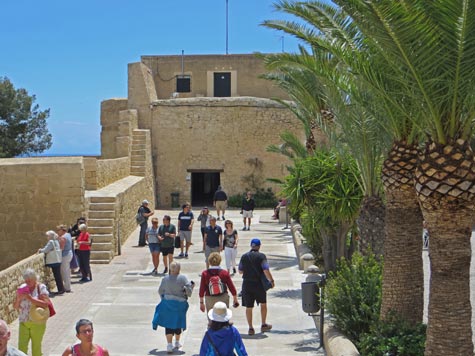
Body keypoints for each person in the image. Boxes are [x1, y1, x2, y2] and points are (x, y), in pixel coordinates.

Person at [152, 261, 195, 354]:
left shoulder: (165, 279)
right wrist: (192, 286)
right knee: (178, 322)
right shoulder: (183, 278)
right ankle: (177, 342)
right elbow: (189, 293)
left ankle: (169, 344)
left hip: (168, 304)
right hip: (180, 304)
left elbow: (160, 291)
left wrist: (164, 299)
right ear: (179, 269)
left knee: (169, 324)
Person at [238, 238, 275, 336]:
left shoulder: (244, 256)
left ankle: (250, 328)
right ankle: (263, 324)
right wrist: (271, 281)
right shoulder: (261, 256)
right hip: (259, 284)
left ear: (251, 246)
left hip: (247, 284)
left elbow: (240, 271)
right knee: (263, 304)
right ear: (259, 246)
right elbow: (266, 270)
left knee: (249, 307)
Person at [13, 268, 50, 356]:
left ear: (35, 279)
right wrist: (18, 299)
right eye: (26, 281)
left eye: (30, 280)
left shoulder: (41, 288)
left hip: (37, 322)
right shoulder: (22, 288)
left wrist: (30, 298)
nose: (28, 283)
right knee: (21, 347)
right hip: (24, 321)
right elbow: (15, 307)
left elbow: (45, 304)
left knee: (36, 347)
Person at [38, 230, 64, 295]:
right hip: (58, 260)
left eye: (47, 236)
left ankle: (60, 290)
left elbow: (46, 250)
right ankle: (61, 289)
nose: (47, 237)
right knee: (58, 275)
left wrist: (40, 250)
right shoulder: (56, 241)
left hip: (54, 261)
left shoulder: (51, 242)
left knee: (57, 275)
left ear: (50, 236)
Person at [57, 225, 73, 293]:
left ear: (62, 230)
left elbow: (61, 248)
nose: (57, 232)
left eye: (58, 230)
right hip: (69, 253)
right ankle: (67, 286)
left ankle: (67, 288)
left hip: (64, 255)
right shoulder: (68, 235)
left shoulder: (63, 237)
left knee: (64, 272)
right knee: (67, 271)